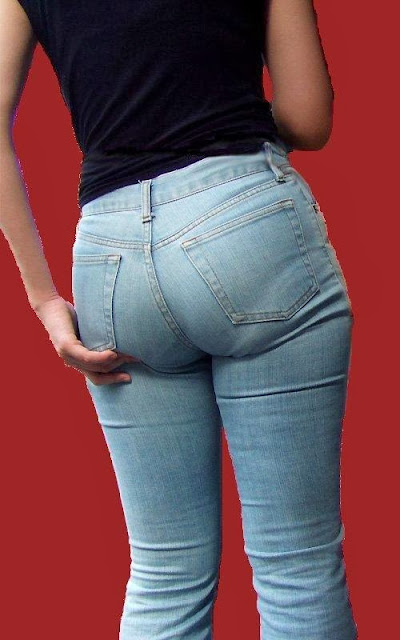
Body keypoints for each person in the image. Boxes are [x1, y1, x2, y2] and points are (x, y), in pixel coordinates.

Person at [1, 1, 358, 638]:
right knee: (297, 568)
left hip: (111, 258)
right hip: (248, 223)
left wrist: (42, 297)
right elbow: (309, 117)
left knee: (164, 572)